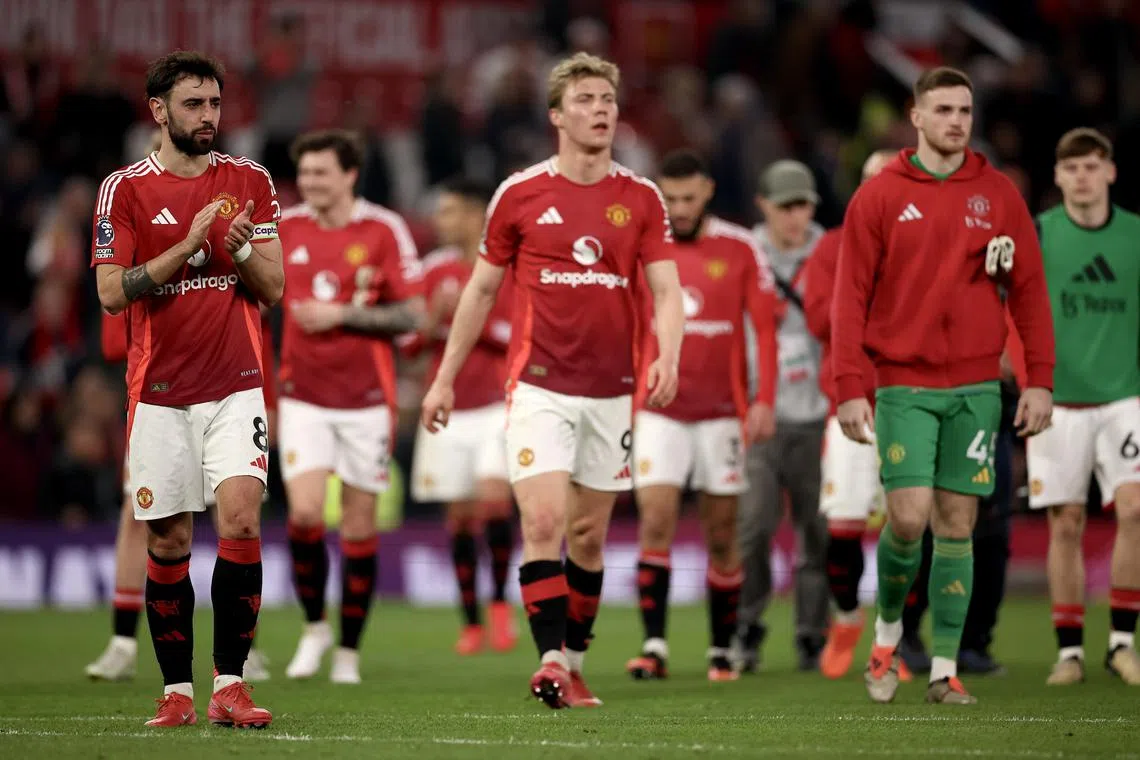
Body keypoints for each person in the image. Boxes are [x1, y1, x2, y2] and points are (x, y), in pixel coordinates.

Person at [420, 52, 683, 709]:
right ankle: (549, 661)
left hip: (611, 388)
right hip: (537, 385)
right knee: (542, 520)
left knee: (588, 536)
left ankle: (576, 659)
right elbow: (480, 291)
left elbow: (668, 291)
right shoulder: (519, 194)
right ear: (557, 116)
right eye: (588, 100)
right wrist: (444, 379)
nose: (601, 111)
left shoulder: (641, 198)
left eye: (608, 101)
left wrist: (668, 355)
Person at [832, 66, 1055, 705]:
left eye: (965, 110)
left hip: (978, 387)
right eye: (945, 110)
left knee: (958, 524)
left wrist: (1038, 379)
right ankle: (888, 636)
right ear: (918, 116)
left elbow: (1031, 293)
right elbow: (849, 298)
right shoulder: (878, 196)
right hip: (902, 384)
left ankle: (944, 670)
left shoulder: (999, 194)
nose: (958, 121)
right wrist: (850, 385)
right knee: (907, 520)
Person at [91, 51, 283, 727]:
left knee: (240, 519)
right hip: (161, 393)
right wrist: (187, 247)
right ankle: (177, 693)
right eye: (194, 105)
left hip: (236, 386)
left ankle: (230, 686)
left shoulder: (250, 180)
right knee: (169, 541)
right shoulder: (126, 190)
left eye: (215, 104)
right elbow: (113, 293)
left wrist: (235, 250)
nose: (208, 117)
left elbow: (275, 288)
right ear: (159, 111)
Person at [625, 149, 778, 682]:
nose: (680, 208)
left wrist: (763, 400)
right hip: (659, 410)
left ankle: (719, 649)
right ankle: (654, 646)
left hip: (720, 414)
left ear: (708, 190)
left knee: (721, 532)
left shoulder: (740, 247)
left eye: (689, 198)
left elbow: (763, 329)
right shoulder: (644, 247)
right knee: (657, 518)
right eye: (670, 200)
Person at [276, 129, 423, 685]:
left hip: (366, 401)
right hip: (303, 396)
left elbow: (411, 315)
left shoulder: (383, 229)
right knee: (306, 514)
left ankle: (349, 653)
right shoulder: (285, 228)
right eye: (305, 173)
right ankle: (315, 628)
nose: (310, 182)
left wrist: (343, 316)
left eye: (321, 173)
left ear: (349, 175)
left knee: (360, 524)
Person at [85, 313, 277, 685]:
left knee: (239, 516)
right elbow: (111, 340)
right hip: (158, 394)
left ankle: (244, 652)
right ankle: (123, 643)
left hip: (228, 389)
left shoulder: (229, 255)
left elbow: (264, 299)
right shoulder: (141, 257)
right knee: (141, 516)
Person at [1026, 127, 1140, 686]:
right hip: (1058, 401)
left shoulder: (1137, 236)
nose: (1083, 177)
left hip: (1127, 395)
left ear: (1111, 172)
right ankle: (1069, 651)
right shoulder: (1039, 235)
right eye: (1072, 168)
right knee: (1065, 522)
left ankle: (1121, 644)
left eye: (1092, 166)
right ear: (1057, 176)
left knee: (1135, 509)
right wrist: (1027, 379)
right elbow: (1013, 311)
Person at [406, 177, 517, 655]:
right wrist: (434, 318)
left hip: (497, 403)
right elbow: (410, 346)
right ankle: (470, 620)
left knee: (495, 502)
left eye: (450, 211)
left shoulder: (505, 267)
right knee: (460, 517)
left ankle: (498, 606)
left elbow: (514, 334)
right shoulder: (433, 271)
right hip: (449, 407)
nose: (440, 220)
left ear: (476, 216)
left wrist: (467, 318)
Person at [800, 150, 895, 680]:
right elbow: (821, 320)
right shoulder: (832, 249)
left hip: (912, 399)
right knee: (844, 524)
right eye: (872, 182)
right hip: (852, 404)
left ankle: (895, 638)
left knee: (910, 526)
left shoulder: (921, 249)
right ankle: (846, 619)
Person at [733, 159, 830, 673]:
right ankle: (747, 626)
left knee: (818, 532)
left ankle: (812, 635)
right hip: (759, 414)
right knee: (752, 528)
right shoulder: (744, 254)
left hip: (818, 413)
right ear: (764, 205)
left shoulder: (832, 253)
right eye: (786, 205)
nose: (797, 215)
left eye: (804, 204)